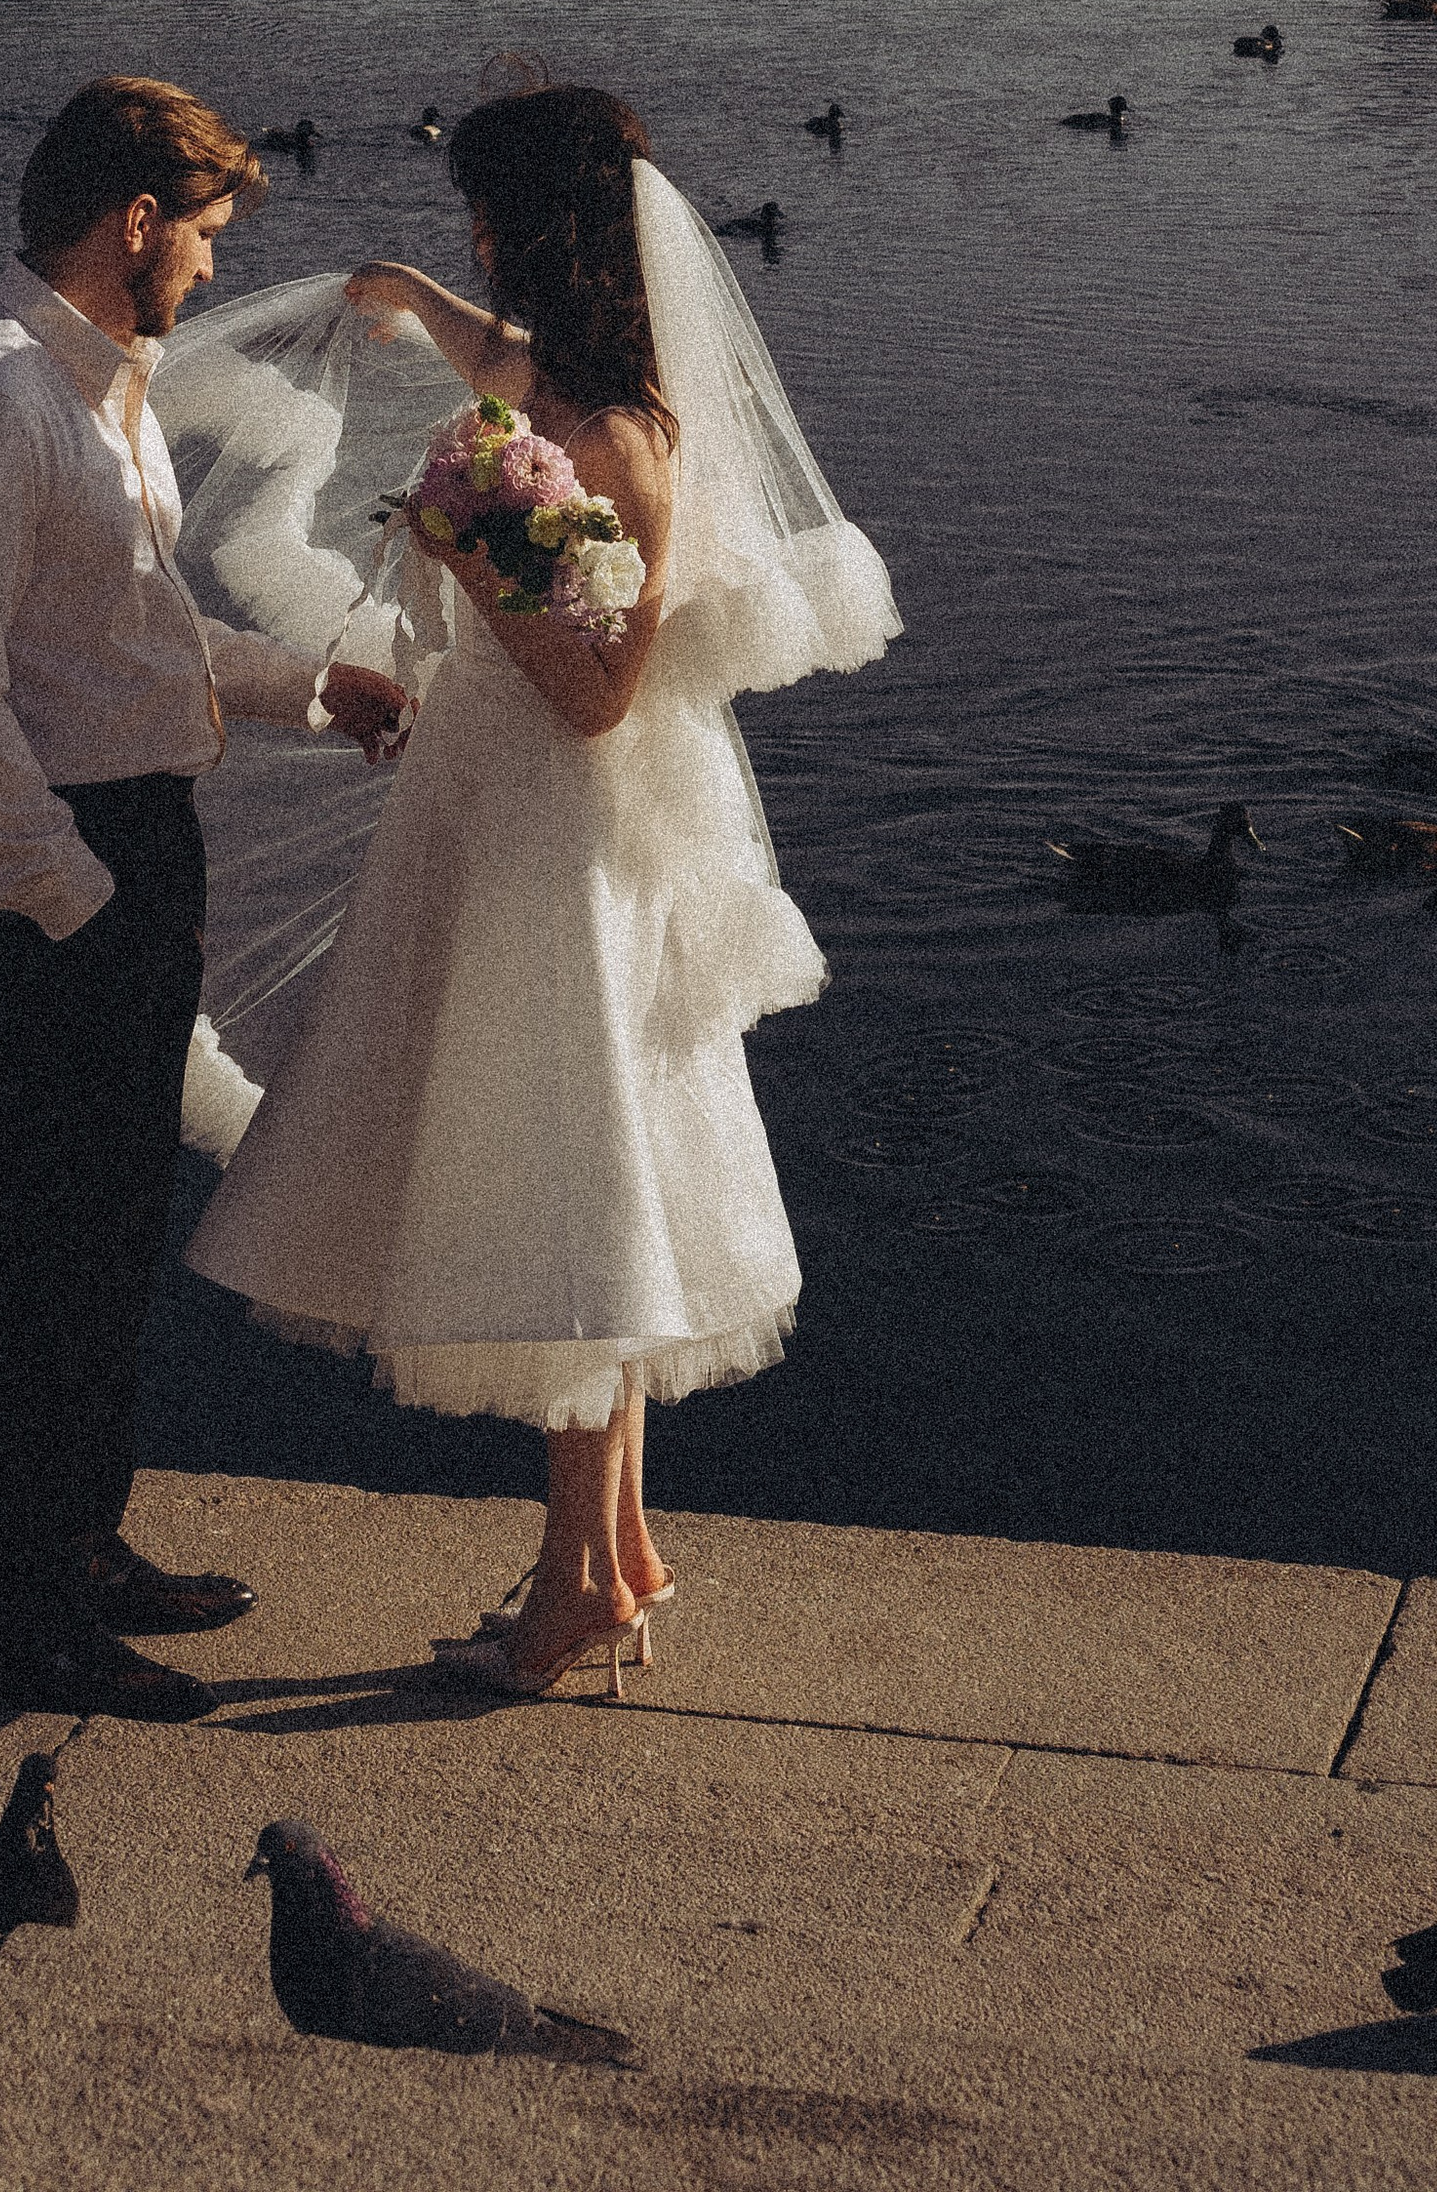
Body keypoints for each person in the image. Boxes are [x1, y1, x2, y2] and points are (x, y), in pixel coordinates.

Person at [184, 85, 900, 1697]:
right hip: (499, 820)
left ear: (538, 228)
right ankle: (613, 1553)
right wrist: (409, 307)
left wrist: (465, 538)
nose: (474, 248)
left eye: (483, 223)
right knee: (598, 1183)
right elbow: (502, 376)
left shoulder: (618, 441)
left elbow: (598, 689)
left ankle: (580, 1582)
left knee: (570, 1193)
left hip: (559, 844)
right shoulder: (560, 392)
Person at [0, 76, 410, 1720]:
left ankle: (82, 1547)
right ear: (134, 223)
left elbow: (137, 642)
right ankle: (25, 1618)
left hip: (125, 845)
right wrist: (79, 904)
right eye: (201, 235)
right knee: (29, 1246)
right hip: (48, 872)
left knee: (107, 1231)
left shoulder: (98, 392)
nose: (206, 267)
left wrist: (320, 691)